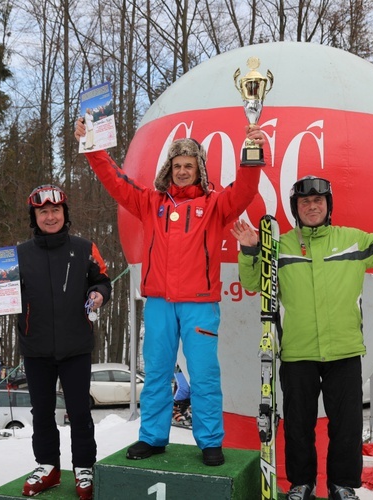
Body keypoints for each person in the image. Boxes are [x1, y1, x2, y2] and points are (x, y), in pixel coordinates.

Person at [232, 176, 373, 500]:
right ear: (296, 209)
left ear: (328, 206)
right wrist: (250, 249)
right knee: (297, 426)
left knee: (346, 426)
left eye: (318, 201)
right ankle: (301, 484)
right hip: (297, 353)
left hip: (344, 351)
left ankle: (343, 486)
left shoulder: (353, 241)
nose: (312, 206)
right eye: (305, 202)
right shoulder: (281, 246)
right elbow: (252, 282)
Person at [74, 120, 265, 466]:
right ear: (168, 168)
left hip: (200, 306)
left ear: (199, 169)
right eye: (176, 166)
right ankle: (152, 437)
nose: (181, 171)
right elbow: (116, 183)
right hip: (159, 303)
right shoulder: (150, 202)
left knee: (205, 376)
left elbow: (246, 192)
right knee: (158, 374)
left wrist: (252, 156)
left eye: (188, 166)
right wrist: (94, 149)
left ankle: (209, 442)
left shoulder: (215, 205)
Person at [0, 185, 111, 499]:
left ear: (65, 213)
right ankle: (48, 466)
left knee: (80, 411)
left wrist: (100, 292)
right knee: (41, 412)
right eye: (43, 211)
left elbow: (102, 278)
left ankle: (85, 467)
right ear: (34, 216)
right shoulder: (16, 255)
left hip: (76, 347)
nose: (50, 216)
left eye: (56, 210)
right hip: (36, 349)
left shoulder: (84, 247)